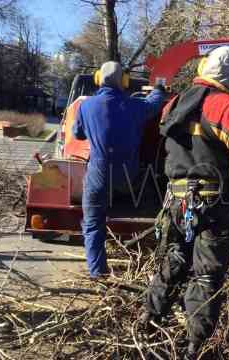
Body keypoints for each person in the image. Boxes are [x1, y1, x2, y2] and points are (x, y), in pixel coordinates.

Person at [141, 46, 229, 359]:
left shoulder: (174, 105)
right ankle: (195, 346)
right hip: (214, 207)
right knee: (206, 275)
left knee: (174, 257)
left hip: (177, 201)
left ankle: (148, 319)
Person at [72, 61, 166, 279]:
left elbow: (78, 135)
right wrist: (159, 89)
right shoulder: (135, 106)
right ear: (124, 81)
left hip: (98, 176)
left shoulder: (86, 106)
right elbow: (154, 103)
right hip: (129, 178)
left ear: (98, 79)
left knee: (93, 223)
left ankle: (98, 274)